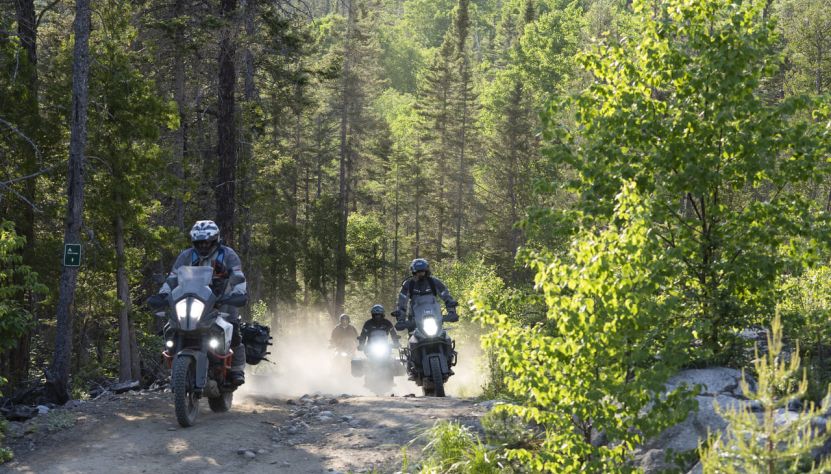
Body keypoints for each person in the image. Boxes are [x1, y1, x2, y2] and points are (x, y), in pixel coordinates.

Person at [154, 220, 248, 385]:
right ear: (194, 242)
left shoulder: (227, 254)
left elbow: (238, 276)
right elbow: (173, 278)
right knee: (171, 328)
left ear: (215, 239)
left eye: (207, 242)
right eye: (200, 242)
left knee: (233, 330)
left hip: (222, 300)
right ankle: (177, 365)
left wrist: (238, 292)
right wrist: (163, 294)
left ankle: (237, 369)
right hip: (192, 300)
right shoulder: (186, 255)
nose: (204, 245)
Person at [393, 258, 458, 331]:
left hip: (435, 317)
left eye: (422, 271)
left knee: (446, 338)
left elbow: (447, 296)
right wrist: (401, 320)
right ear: (414, 272)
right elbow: (402, 303)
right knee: (412, 340)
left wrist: (451, 312)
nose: (420, 274)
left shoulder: (434, 282)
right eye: (418, 272)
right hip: (415, 320)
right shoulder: (408, 284)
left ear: (427, 271)